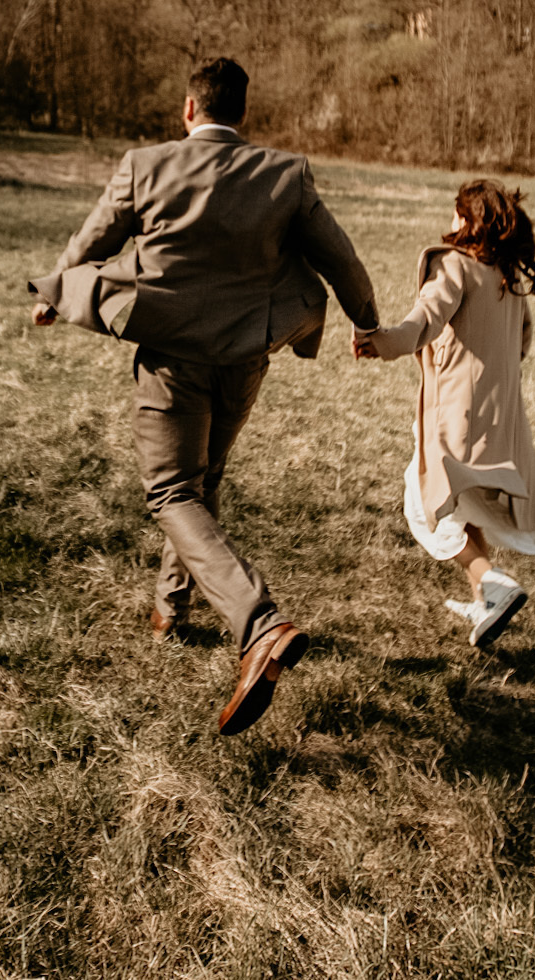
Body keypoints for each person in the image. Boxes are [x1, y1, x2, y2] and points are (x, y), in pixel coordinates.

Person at [29, 58, 379, 735]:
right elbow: (342, 258)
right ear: (239, 114)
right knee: (203, 479)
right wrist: (366, 320)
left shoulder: (146, 165)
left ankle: (259, 624)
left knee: (171, 493)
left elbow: (93, 240)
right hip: (245, 358)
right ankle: (170, 607)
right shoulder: (285, 176)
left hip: (173, 359)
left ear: (190, 109)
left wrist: (53, 292)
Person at [352, 178, 535, 651]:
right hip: (499, 419)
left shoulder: (454, 268)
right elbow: (521, 342)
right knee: (467, 502)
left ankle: (490, 579)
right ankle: (485, 600)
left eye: (456, 213)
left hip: (455, 417)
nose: (450, 222)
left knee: (424, 507)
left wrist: (376, 341)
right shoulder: (509, 277)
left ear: (470, 221)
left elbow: (421, 325)